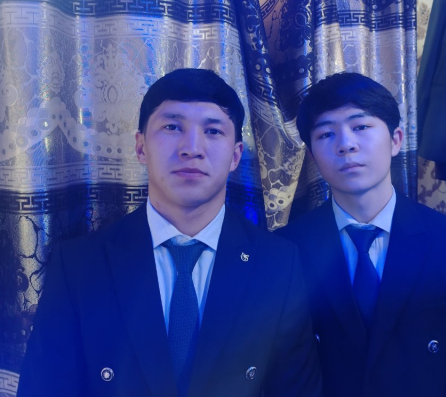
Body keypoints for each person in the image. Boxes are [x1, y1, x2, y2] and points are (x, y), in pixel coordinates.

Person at [18, 68, 322, 397]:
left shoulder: (278, 265)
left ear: (235, 156)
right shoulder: (79, 266)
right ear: (141, 147)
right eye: (172, 127)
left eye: (213, 131)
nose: (192, 148)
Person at [278, 72, 446, 397]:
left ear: (396, 140)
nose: (346, 145)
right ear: (312, 155)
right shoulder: (285, 251)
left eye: (360, 127)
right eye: (326, 134)